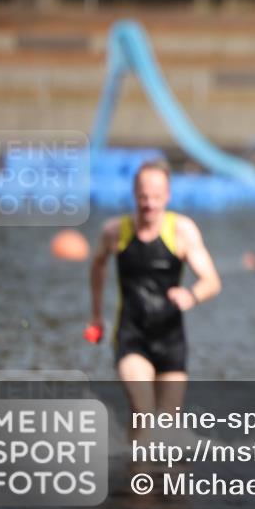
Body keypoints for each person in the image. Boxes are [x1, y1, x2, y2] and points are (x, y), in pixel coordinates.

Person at [88, 160, 221, 440]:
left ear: (168, 196)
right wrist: (97, 316)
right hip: (131, 336)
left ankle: (151, 472)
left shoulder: (182, 231)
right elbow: (97, 264)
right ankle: (135, 476)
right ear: (134, 194)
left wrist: (191, 295)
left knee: (167, 429)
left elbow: (212, 281)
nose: (149, 204)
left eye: (156, 197)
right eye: (143, 197)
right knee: (143, 410)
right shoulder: (115, 232)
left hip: (171, 340)